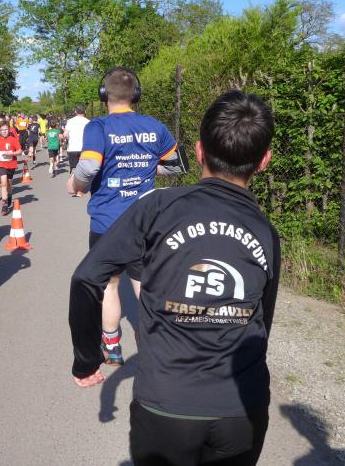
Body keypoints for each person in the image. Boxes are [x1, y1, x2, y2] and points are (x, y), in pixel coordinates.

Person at [69, 90, 279, 466]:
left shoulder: (157, 208)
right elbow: (263, 322)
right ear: (265, 160)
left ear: (199, 151)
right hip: (242, 407)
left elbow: (87, 278)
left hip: (166, 402)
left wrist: (87, 360)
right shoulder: (265, 231)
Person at [67, 67, 183, 366]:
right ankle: (155, 342)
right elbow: (176, 165)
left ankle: (112, 347)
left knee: (109, 285)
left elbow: (89, 167)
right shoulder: (155, 126)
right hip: (146, 221)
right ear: (136, 94)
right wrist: (148, 169)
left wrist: (76, 185)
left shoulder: (98, 127)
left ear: (103, 95)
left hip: (107, 221)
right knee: (145, 284)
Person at [0, 120, 23, 216]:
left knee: (9, 184)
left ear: (9, 130)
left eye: (6, 129)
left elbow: (20, 151)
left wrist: (11, 153)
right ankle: (4, 204)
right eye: (2, 130)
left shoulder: (13, 139)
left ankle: (9, 197)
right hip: (1, 164)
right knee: (3, 183)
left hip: (11, 164)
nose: (4, 131)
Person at [63, 105, 90, 195]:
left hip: (73, 148)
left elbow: (65, 134)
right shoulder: (88, 122)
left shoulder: (70, 121)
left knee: (74, 168)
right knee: (83, 169)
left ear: (75, 112)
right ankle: (80, 190)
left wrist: (67, 138)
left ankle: (74, 186)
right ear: (84, 111)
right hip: (85, 148)